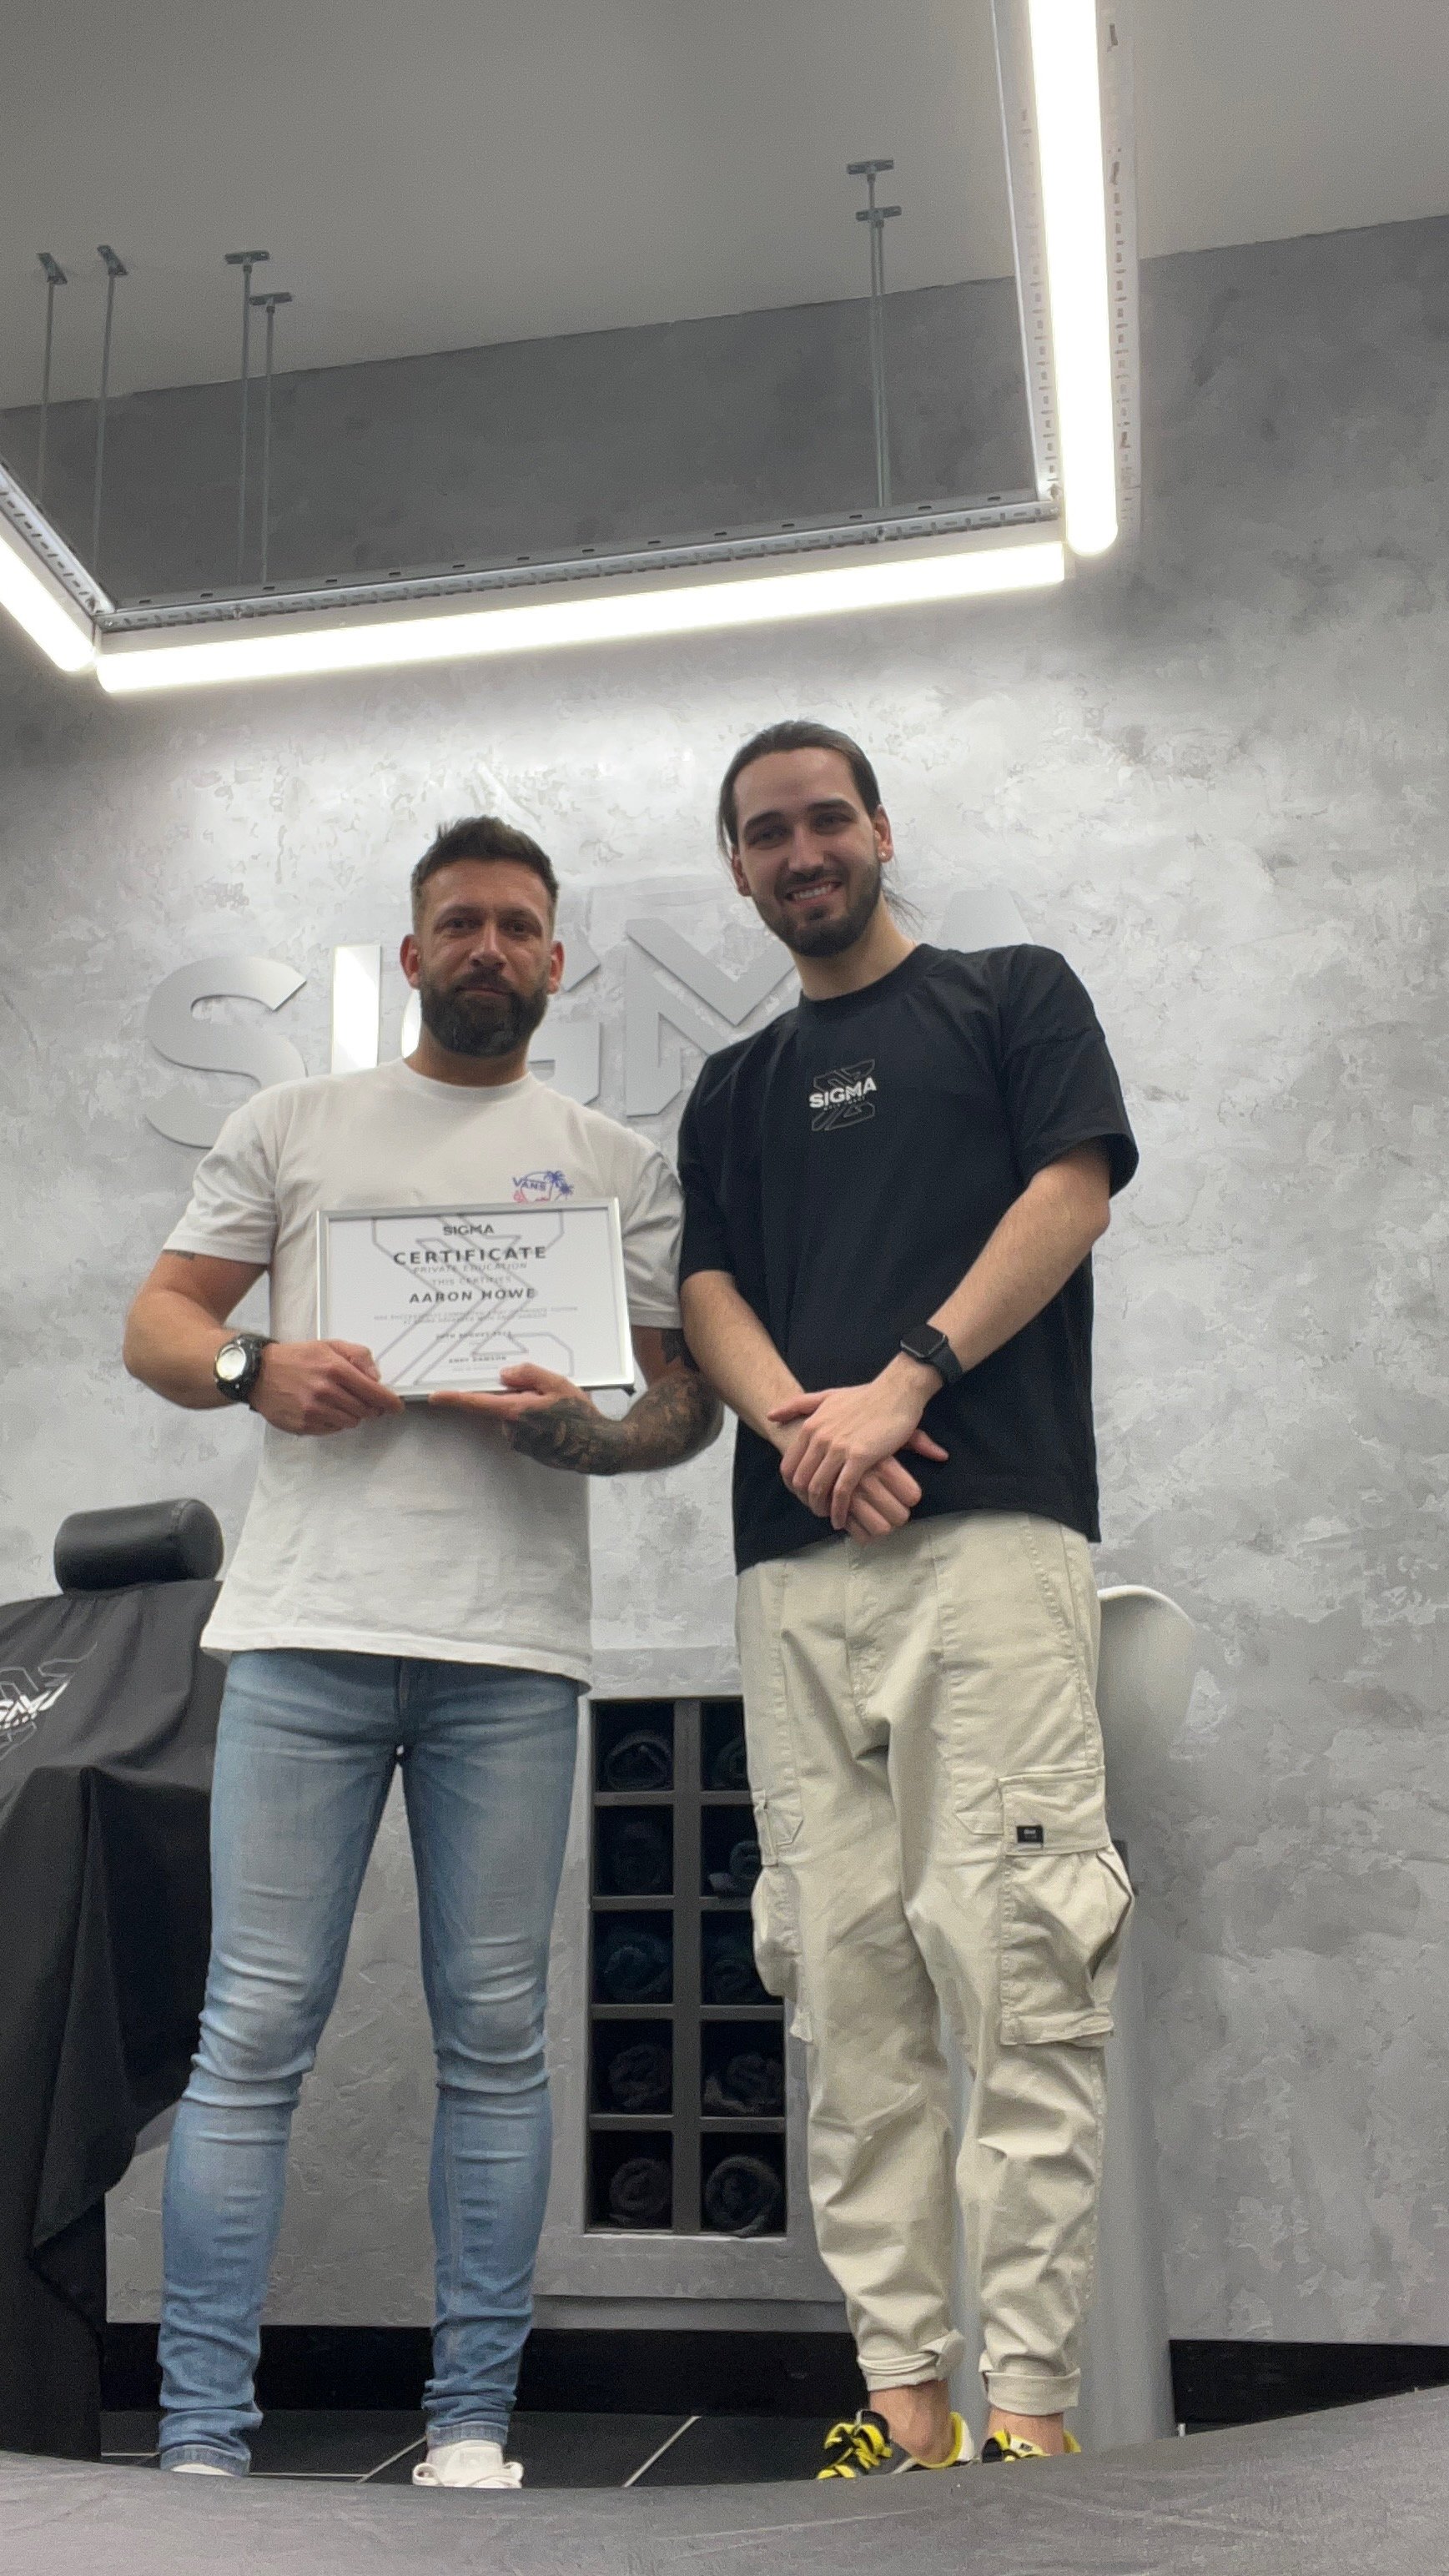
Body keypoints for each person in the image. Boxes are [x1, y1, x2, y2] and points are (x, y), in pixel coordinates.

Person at [124, 816, 719, 2489]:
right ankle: (198, 2445)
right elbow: (159, 1321)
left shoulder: (612, 1158)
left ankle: (468, 2429)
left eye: (516, 926)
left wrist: (580, 1440)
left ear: (553, 960)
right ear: (410, 955)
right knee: (248, 2034)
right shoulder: (289, 1121)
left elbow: (677, 1400)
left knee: (496, 2036)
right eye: (456, 923)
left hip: (509, 1648)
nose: (485, 947)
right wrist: (254, 1371)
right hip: (304, 1633)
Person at [677, 721, 1139, 2476]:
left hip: (988, 1540)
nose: (798, 851)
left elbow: (1069, 1188)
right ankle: (904, 2408)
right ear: (734, 867)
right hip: (796, 1569)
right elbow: (707, 1280)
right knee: (847, 1990)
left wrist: (905, 1379)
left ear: (877, 828)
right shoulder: (726, 1088)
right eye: (762, 832)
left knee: (1017, 1969)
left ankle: (1024, 2414)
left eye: (823, 818)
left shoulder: (1009, 994)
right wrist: (807, 1423)